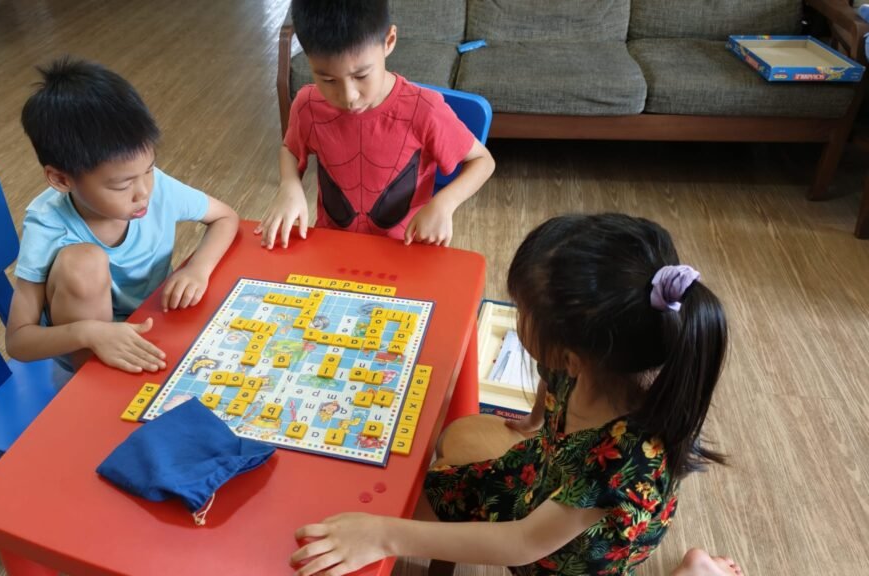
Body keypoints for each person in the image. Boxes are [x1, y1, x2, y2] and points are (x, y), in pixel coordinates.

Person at [290, 214, 730, 576]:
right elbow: (549, 380)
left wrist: (385, 536)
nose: (518, 316)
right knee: (404, 500)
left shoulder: (624, 460)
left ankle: (696, 572)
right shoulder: (577, 364)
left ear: (571, 355)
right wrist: (536, 419)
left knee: (397, 522)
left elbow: (521, 544)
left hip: (580, 558)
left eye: (522, 312)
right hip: (532, 479)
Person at [5, 57, 239, 376]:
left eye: (148, 170)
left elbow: (225, 218)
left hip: (157, 325)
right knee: (83, 261)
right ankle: (89, 388)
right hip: (89, 355)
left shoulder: (156, 188)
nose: (143, 191)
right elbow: (18, 341)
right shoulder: (48, 223)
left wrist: (198, 269)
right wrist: (88, 332)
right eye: (122, 184)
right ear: (62, 180)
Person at [256, 0, 494, 249]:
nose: (348, 96)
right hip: (333, 249)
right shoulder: (307, 105)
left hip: (406, 250)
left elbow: (483, 161)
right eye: (327, 79)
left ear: (389, 41)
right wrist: (289, 185)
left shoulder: (425, 110)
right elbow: (291, 150)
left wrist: (445, 203)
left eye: (361, 76)